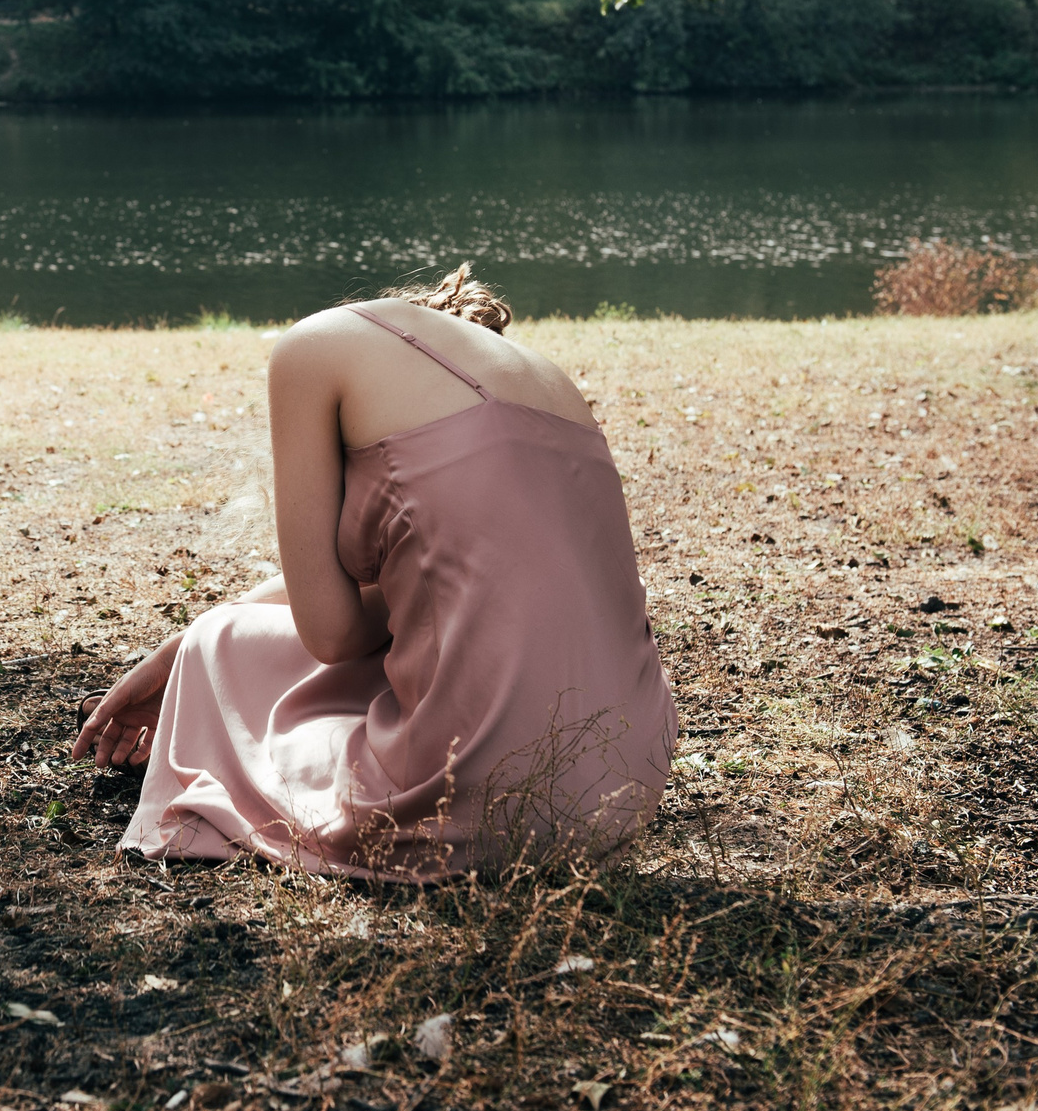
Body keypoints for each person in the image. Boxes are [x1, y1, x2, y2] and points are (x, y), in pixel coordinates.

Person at [72, 266, 675, 880]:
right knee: (242, 639)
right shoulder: (547, 383)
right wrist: (173, 653)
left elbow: (332, 635)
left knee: (218, 645)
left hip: (473, 797)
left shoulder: (317, 346)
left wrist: (193, 648)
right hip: (624, 787)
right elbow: (456, 586)